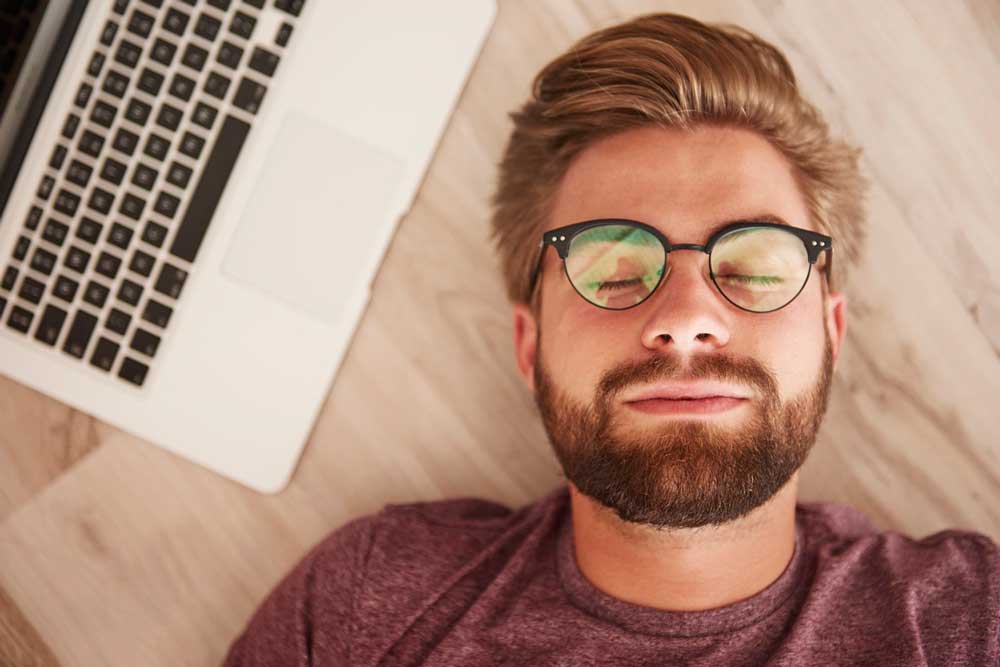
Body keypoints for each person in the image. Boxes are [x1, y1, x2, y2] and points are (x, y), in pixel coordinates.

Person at [223, 13, 999, 665]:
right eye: (615, 266)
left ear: (832, 332)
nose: (688, 314)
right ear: (529, 347)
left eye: (759, 266)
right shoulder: (366, 605)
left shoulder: (970, 621)